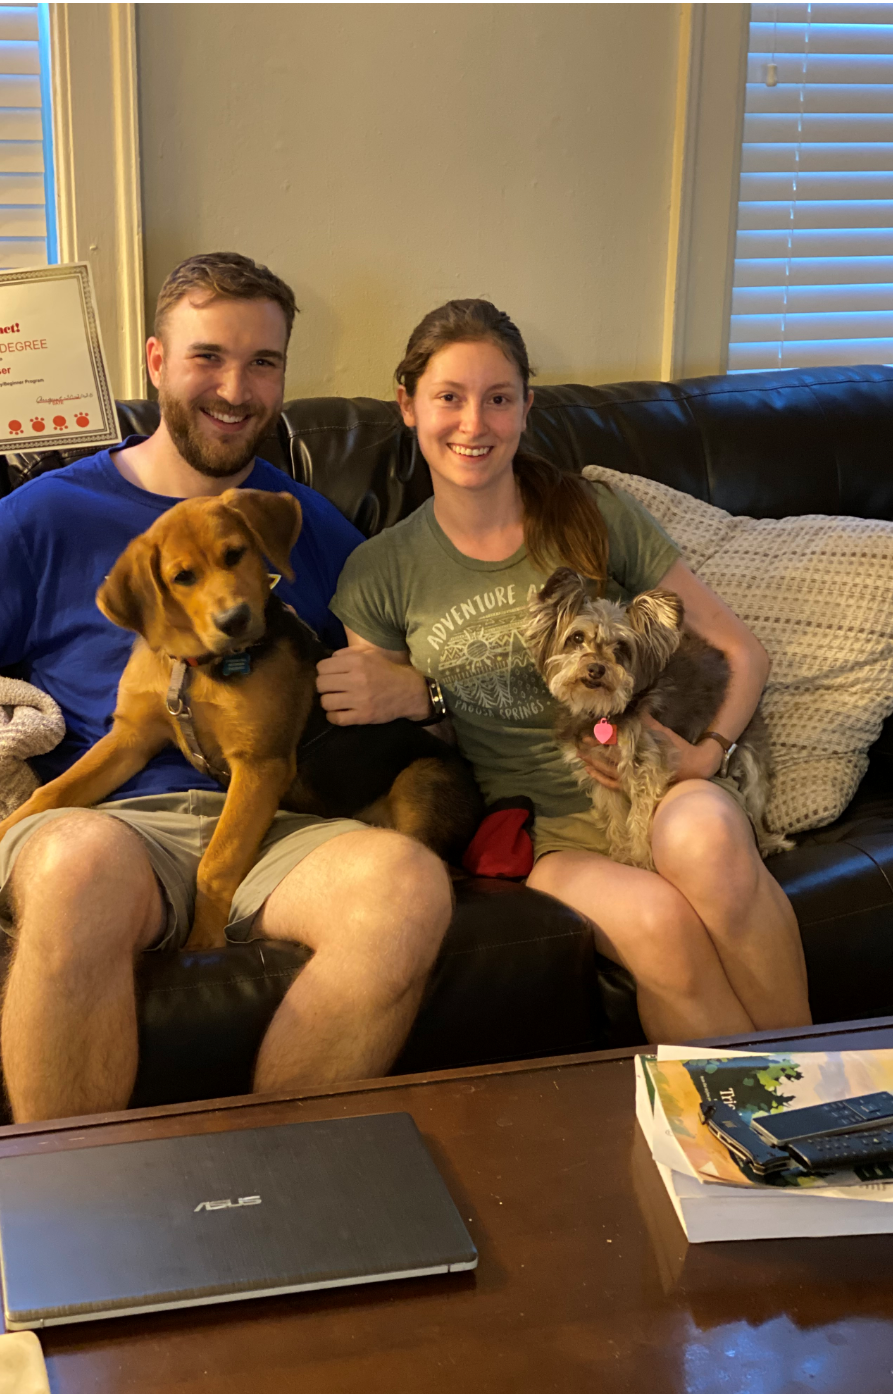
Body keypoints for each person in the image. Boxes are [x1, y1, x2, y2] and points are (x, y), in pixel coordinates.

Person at [0, 252, 453, 1123]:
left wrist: (418, 687)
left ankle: (270, 1198)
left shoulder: (295, 517)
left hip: (289, 820)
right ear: (157, 362)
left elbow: (423, 641)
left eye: (262, 363)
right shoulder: (47, 513)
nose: (236, 389)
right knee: (77, 865)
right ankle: (78, 1207)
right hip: (117, 823)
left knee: (408, 887)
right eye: (208, 357)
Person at [319, 299, 812, 1044]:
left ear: (525, 408)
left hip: (657, 784)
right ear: (408, 406)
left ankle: (828, 1110)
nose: (473, 424)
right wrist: (421, 699)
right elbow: (403, 755)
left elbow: (744, 652)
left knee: (708, 844)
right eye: (448, 398)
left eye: (498, 399)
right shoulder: (380, 571)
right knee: (656, 922)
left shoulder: (592, 512)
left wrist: (706, 753)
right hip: (542, 831)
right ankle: (739, 1144)